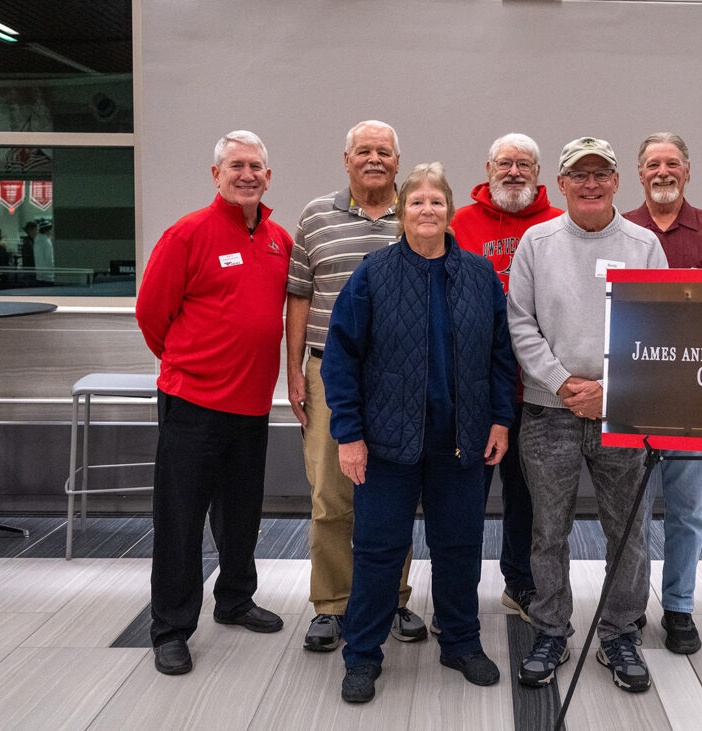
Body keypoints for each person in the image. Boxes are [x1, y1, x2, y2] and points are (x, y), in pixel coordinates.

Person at [322, 162, 517, 703]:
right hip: (387, 442)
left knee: (459, 548)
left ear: (450, 211)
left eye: (436, 201)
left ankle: (460, 641)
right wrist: (350, 433)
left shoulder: (479, 275)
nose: (426, 210)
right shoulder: (373, 273)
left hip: (463, 440)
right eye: (416, 202)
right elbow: (340, 360)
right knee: (379, 551)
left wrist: (501, 419)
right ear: (402, 212)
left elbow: (502, 357)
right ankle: (361, 655)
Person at [507, 137, 668, 694]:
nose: (591, 184)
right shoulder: (536, 241)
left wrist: (610, 388)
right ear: (561, 183)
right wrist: (561, 380)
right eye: (580, 175)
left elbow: (659, 329)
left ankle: (621, 634)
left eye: (601, 174)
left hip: (622, 412)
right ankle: (551, 629)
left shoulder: (645, 245)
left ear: (617, 181)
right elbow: (519, 323)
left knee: (629, 532)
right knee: (547, 531)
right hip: (548, 412)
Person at [136, 130, 291, 676]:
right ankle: (171, 628)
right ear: (216, 174)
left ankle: (235, 599)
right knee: (180, 521)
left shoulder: (279, 240)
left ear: (268, 177)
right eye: (236, 165)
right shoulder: (187, 234)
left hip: (252, 406)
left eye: (256, 166)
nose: (247, 174)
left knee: (241, 515)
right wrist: (188, 365)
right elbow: (152, 315)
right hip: (194, 404)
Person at [285, 120, 427, 653]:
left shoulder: (417, 213)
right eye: (363, 151)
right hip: (328, 374)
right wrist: (294, 370)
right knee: (330, 493)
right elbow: (299, 294)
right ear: (346, 160)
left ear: (398, 161)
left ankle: (391, 596)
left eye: (384, 152)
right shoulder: (316, 217)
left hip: (400, 377)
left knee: (394, 492)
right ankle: (333, 603)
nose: (374, 159)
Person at [623, 132, 702, 655]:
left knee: (687, 509)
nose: (663, 171)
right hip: (633, 393)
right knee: (627, 513)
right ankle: (626, 611)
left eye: (672, 162)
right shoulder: (618, 228)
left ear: (688, 171)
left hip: (696, 395)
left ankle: (679, 607)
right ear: (640, 173)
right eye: (653, 164)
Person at [450, 132, 562, 623]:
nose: (514, 172)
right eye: (505, 164)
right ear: (488, 167)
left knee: (528, 498)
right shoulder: (460, 223)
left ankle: (520, 584)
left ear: (537, 174)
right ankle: (456, 598)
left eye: (524, 164)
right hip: (472, 390)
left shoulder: (559, 224)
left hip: (538, 390)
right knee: (464, 498)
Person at [34, 220, 55, 284]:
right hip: (48, 275)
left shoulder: (37, 240)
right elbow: (49, 258)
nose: (52, 232)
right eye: (51, 230)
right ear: (47, 230)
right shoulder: (47, 242)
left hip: (39, 274)